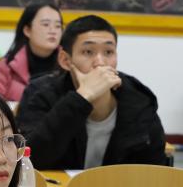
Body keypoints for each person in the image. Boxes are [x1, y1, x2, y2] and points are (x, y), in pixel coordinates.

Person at [15, 14, 166, 170]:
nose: (100, 63)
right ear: (65, 60)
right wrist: (82, 97)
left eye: (108, 52)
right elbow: (27, 161)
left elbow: (155, 172)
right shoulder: (41, 94)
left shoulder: (139, 99)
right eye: (88, 52)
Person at [0, 2, 63, 101]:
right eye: (46, 24)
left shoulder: (70, 65)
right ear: (27, 30)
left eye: (58, 26)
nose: (53, 31)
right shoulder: (6, 67)